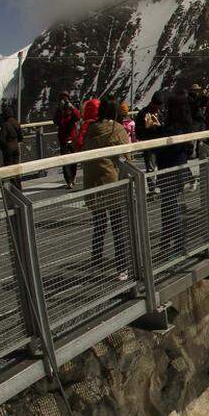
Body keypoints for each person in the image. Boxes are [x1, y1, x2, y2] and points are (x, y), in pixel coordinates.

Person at [82, 98, 131, 281]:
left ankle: (96, 262)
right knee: (118, 226)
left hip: (92, 182)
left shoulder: (90, 129)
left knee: (99, 225)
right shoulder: (117, 128)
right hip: (112, 181)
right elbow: (128, 154)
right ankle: (122, 267)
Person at [153, 91, 194, 257]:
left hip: (169, 170)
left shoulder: (173, 128)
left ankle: (177, 245)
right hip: (179, 169)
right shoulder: (186, 126)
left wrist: (156, 130)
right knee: (172, 207)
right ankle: (171, 243)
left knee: (170, 208)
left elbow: (162, 148)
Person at [53, 91, 80, 188]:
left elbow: (78, 116)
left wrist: (72, 107)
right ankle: (68, 180)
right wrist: (59, 110)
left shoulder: (72, 111)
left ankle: (72, 177)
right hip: (64, 139)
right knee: (65, 161)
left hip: (72, 138)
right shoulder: (59, 112)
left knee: (73, 160)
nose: (64, 101)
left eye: (66, 99)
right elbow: (56, 121)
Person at [0, 106, 23, 191]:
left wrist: (2, 148)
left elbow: (2, 140)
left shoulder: (5, 125)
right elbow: (21, 137)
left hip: (8, 150)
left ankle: (14, 189)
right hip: (16, 148)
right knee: (16, 169)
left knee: (10, 170)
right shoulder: (16, 123)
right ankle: (19, 188)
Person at [136, 91, 163, 171]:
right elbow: (138, 132)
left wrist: (159, 126)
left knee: (161, 168)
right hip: (149, 145)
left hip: (160, 144)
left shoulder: (161, 112)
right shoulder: (143, 113)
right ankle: (151, 183)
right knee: (151, 169)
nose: (158, 108)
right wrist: (148, 127)